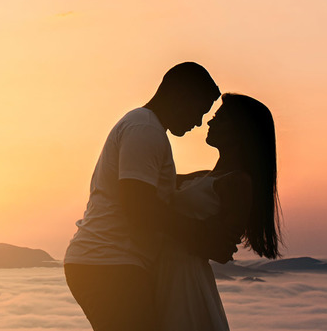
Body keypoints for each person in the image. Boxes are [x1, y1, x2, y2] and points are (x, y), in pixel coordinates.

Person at [64, 62, 234, 331]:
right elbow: (139, 207)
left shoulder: (143, 127)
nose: (198, 122)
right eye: (198, 111)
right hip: (110, 264)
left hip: (105, 263)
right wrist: (202, 236)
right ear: (180, 97)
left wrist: (209, 178)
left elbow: (151, 186)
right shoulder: (145, 131)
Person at [155, 93, 282, 331]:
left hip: (184, 278)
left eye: (219, 118)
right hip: (163, 270)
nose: (210, 122)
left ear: (239, 132)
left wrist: (162, 221)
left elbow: (222, 249)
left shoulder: (238, 182)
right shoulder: (202, 176)